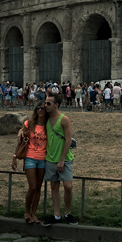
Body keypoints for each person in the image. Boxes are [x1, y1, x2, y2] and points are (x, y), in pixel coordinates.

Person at [41, 94, 78, 226]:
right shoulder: (44, 118)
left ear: (56, 105)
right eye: (45, 103)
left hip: (65, 159)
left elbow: (68, 140)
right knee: (54, 186)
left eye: (48, 103)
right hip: (50, 158)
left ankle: (67, 213)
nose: (45, 105)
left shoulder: (64, 120)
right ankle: (57, 215)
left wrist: (62, 160)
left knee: (68, 186)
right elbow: (31, 124)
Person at [11, 104, 48, 224]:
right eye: (38, 108)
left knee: (38, 187)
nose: (40, 110)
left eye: (43, 108)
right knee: (32, 187)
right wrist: (15, 157)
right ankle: (27, 211)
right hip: (30, 158)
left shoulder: (49, 125)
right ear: (36, 110)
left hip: (43, 159)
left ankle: (33, 213)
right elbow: (21, 141)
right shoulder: (29, 124)